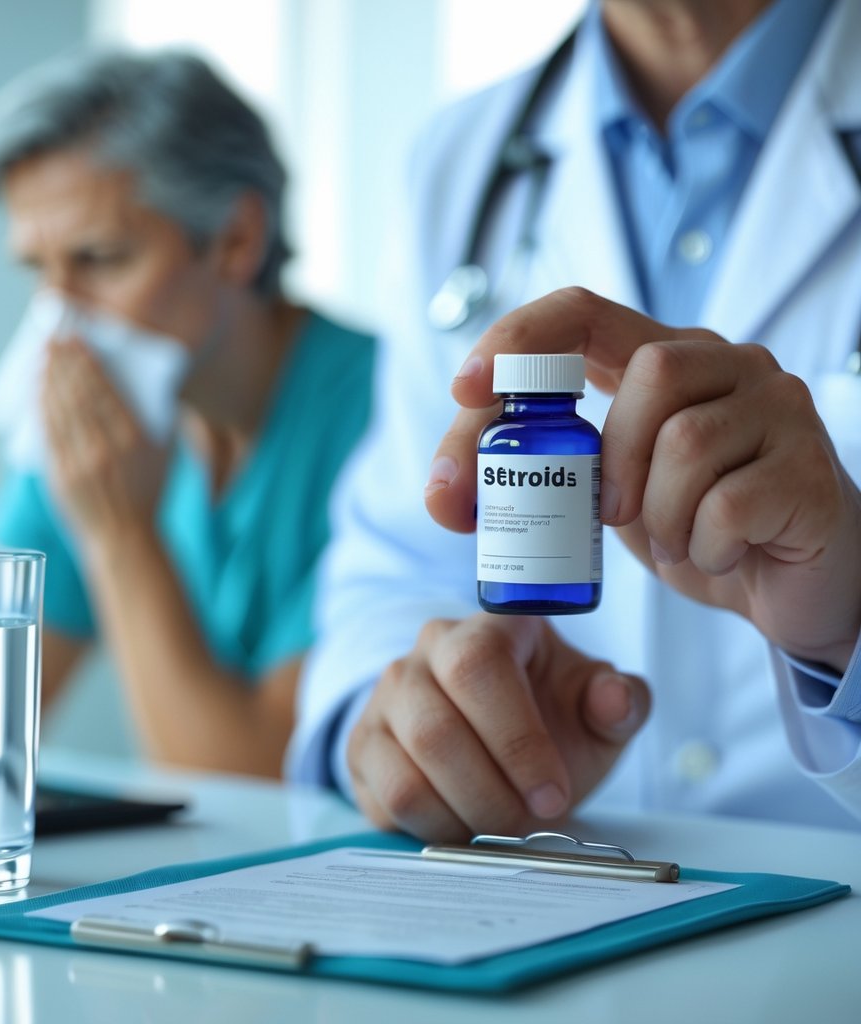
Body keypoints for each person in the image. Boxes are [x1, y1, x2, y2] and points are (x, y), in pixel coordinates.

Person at [288, 0, 861, 837]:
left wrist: (851, 623)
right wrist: (420, 721)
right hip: (552, 891)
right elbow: (399, 559)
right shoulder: (462, 156)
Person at [0, 50, 375, 777]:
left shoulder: (385, 416)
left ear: (236, 239)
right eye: (37, 269)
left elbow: (254, 786)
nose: (58, 319)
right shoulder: (101, 426)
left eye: (98, 258)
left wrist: (121, 533)